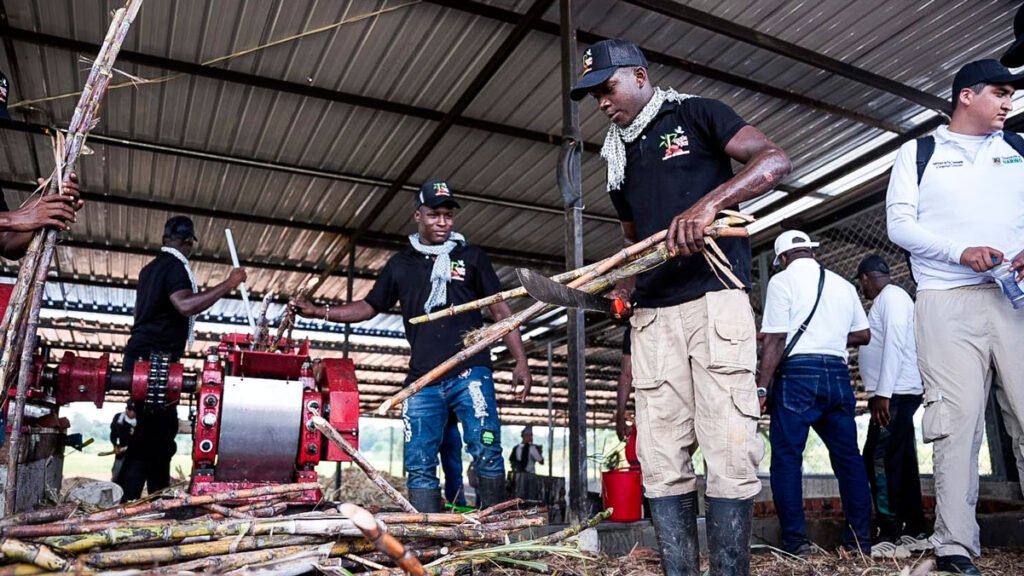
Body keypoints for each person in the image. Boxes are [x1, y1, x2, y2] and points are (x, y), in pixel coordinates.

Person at [571, 38, 791, 576]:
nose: (603, 102)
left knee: (730, 446)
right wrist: (623, 286)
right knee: (661, 454)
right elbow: (633, 242)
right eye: (594, 95)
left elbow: (774, 160)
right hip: (653, 319)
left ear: (639, 75)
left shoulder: (696, 114)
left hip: (715, 302)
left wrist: (709, 204)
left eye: (608, 87)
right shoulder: (618, 156)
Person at [290, 180, 532, 513]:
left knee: (486, 449)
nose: (443, 222)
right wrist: (320, 312)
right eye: (434, 215)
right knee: (419, 462)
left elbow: (501, 311)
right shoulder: (400, 265)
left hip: (471, 372)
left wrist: (521, 360)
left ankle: (496, 525)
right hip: (422, 381)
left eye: (448, 215)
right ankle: (430, 531)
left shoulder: (472, 257)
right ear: (418, 215)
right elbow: (368, 306)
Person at [886, 59, 1024, 576]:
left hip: (1016, 299)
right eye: (999, 92)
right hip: (945, 300)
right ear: (967, 95)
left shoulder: (1019, 149)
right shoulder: (919, 152)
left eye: (1011, 94)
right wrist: (959, 252)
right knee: (955, 422)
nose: (1009, 102)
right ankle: (954, 545)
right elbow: (899, 225)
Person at [756, 230, 873, 557]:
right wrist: (828, 338)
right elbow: (863, 334)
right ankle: (860, 543)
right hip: (837, 374)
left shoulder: (781, 282)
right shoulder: (843, 284)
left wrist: (761, 387)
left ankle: (797, 543)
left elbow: (776, 340)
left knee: (787, 460)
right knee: (849, 460)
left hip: (798, 375)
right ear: (812, 252)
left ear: (782, 259)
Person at [119, 216, 247, 501]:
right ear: (189, 242)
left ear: (165, 239)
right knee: (149, 435)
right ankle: (127, 502)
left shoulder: (151, 269)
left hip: (145, 356)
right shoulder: (176, 266)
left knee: (161, 434)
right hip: (154, 360)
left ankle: (157, 497)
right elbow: (185, 305)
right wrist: (229, 283)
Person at [854, 255, 928, 555]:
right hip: (896, 392)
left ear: (865, 278)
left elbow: (895, 343)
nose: (863, 290)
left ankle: (889, 532)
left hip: (894, 394)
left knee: (877, 458)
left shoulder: (892, 297)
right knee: (902, 459)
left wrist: (883, 393)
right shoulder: (891, 298)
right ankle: (915, 529)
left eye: (862, 285)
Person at [440, 415, 467, 507]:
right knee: (425, 465)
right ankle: (430, 503)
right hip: (428, 421)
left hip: (450, 422)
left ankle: (457, 504)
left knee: (454, 470)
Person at [109, 400, 137, 487]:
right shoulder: (118, 418)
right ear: (126, 409)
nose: (132, 413)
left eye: (134, 411)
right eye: (130, 410)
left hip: (137, 452)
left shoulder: (142, 420)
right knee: (116, 473)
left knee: (133, 477)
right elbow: (113, 434)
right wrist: (115, 445)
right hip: (121, 451)